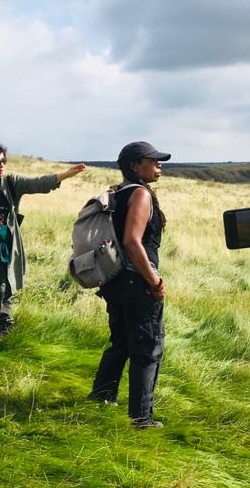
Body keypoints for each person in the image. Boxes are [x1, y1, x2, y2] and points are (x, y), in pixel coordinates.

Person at [0, 140, 85, 337]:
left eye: (3, 160)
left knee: (3, 288)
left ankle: (2, 330)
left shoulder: (12, 182)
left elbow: (37, 183)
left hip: (3, 247)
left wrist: (63, 176)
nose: (1, 165)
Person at [87, 142, 170, 429]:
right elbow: (133, 242)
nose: (159, 165)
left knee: (121, 340)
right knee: (148, 348)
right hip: (137, 282)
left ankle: (102, 393)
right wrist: (155, 280)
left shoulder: (118, 192)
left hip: (115, 280)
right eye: (153, 161)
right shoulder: (140, 194)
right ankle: (141, 417)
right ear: (136, 165)